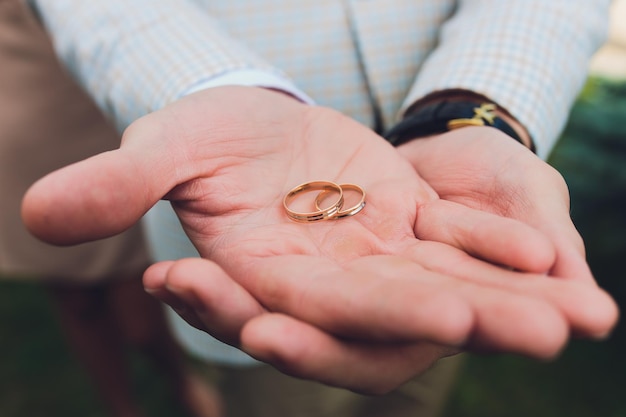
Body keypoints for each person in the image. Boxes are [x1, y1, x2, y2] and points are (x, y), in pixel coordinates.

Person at [21, 0, 619, 415]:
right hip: (242, 246)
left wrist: (471, 103)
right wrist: (217, 86)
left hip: (447, 224)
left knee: (422, 377)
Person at [0, 2, 222, 416]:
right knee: (76, 297)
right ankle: (120, 404)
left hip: (96, 105)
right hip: (19, 124)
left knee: (140, 302)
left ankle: (179, 381)